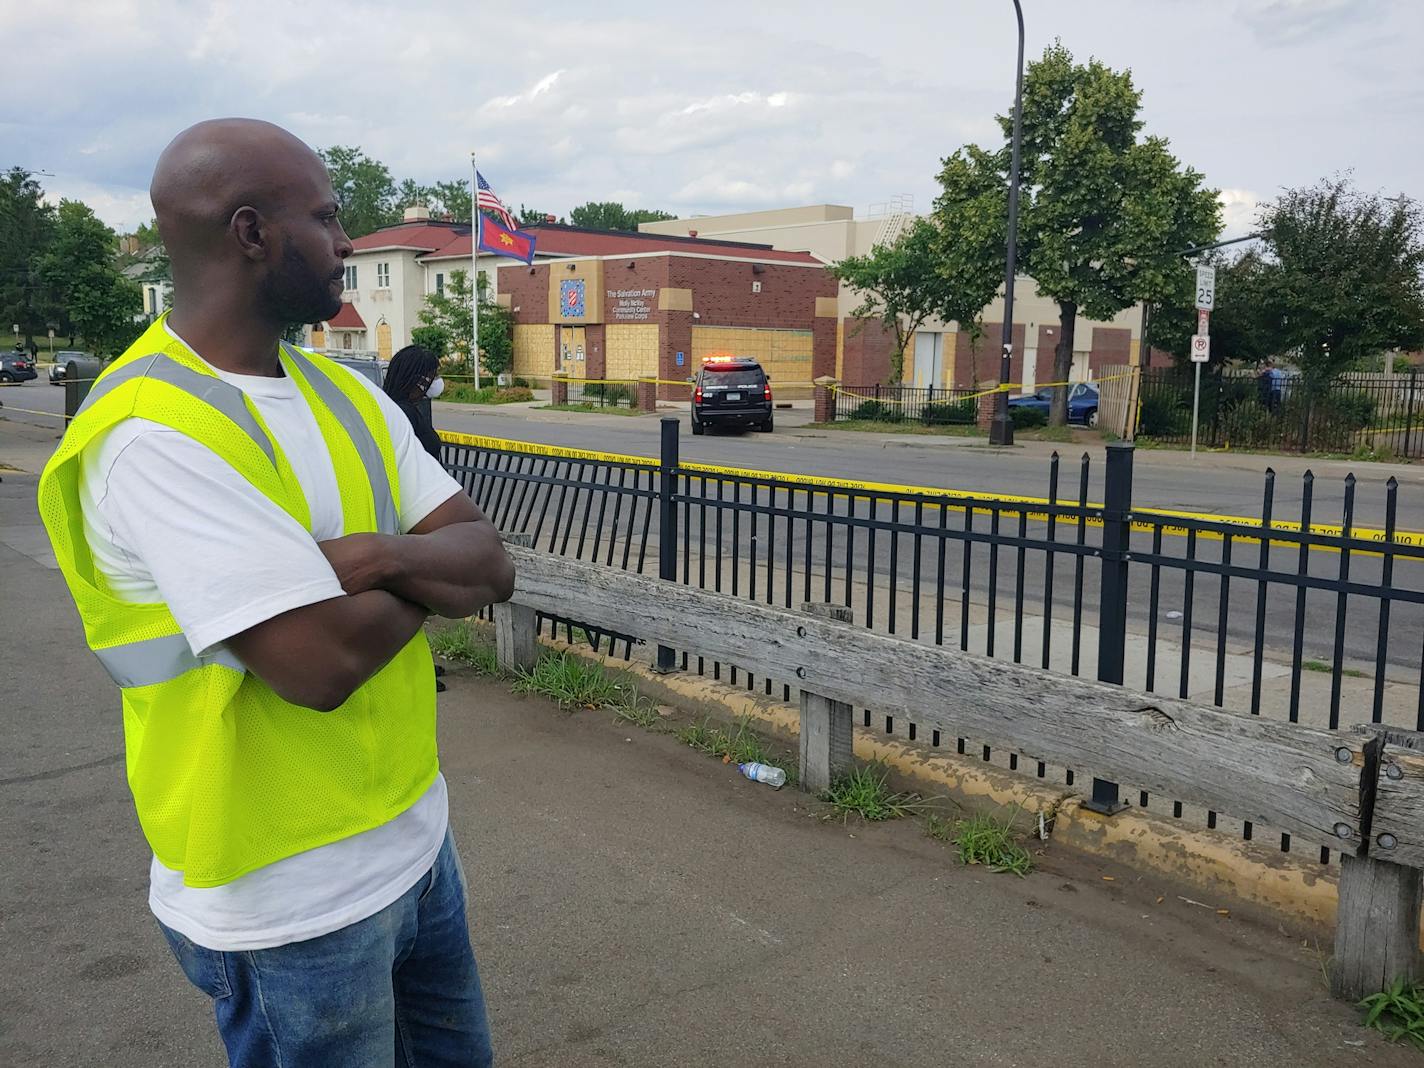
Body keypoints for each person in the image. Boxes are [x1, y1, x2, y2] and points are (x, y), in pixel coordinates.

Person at [37, 118, 514, 1067]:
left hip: (417, 847)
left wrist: (375, 559)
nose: (345, 243)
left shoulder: (343, 392)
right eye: (328, 218)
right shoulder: (152, 433)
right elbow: (319, 663)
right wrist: (427, 570)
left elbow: (491, 563)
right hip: (285, 903)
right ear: (251, 233)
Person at [384, 344, 444, 461]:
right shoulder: (405, 413)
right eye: (432, 376)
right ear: (416, 380)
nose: (434, 381)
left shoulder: (391, 407)